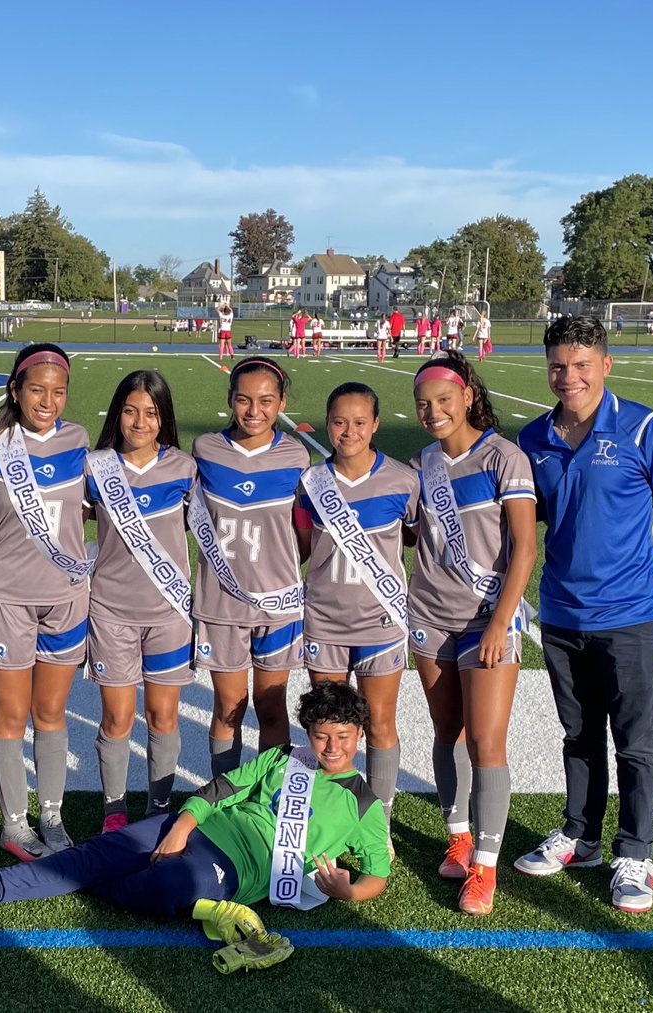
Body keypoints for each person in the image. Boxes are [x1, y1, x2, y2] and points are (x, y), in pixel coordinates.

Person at [0, 682, 389, 961]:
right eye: (321, 736)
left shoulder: (365, 804)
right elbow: (218, 791)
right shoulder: (285, 757)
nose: (332, 747)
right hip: (201, 829)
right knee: (105, 852)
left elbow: (378, 876)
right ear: (308, 734)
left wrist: (348, 891)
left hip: (235, 870)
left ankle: (68, 870)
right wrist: (181, 828)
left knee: (165, 885)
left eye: (343, 736)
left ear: (360, 735)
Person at [513, 315, 653, 913]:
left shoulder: (647, 429)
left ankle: (636, 852)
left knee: (635, 740)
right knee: (579, 733)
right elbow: (526, 520)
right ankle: (582, 835)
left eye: (581, 365)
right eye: (558, 366)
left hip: (630, 615)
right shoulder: (533, 438)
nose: (568, 377)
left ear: (605, 365)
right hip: (561, 613)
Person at [408, 351, 538, 916]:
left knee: (486, 741)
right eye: (423, 404)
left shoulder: (504, 457)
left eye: (443, 400)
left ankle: (485, 866)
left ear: (467, 396)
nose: (433, 412)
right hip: (429, 615)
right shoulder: (422, 463)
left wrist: (502, 620)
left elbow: (525, 548)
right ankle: (458, 837)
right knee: (447, 730)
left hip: (487, 619)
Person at [0, 343, 90, 860]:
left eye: (58, 392)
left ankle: (52, 816)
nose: (47, 401)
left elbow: (87, 509)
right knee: (11, 714)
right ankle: (14, 824)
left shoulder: (79, 440)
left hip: (66, 597)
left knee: (51, 712)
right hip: (8, 597)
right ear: (15, 390)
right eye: (37, 390)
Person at [295, 382, 418, 851]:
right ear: (327, 424)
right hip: (324, 621)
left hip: (380, 624)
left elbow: (413, 537)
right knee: (328, 726)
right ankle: (330, 816)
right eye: (339, 422)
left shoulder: (403, 480)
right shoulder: (311, 482)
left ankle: (377, 821)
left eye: (360, 422)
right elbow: (301, 546)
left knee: (379, 722)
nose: (349, 431)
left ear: (376, 425)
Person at [85, 371, 198, 832]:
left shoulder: (184, 468)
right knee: (117, 717)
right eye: (130, 411)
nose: (140, 422)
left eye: (151, 413)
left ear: (163, 417)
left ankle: (158, 808)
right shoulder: (95, 468)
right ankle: (114, 810)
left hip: (169, 613)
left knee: (162, 715)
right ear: (117, 414)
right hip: (110, 610)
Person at [192, 357, 309, 777]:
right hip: (221, 604)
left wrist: (275, 566)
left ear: (281, 403)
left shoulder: (297, 456)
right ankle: (222, 795)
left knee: (272, 706)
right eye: (243, 399)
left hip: (277, 606)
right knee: (228, 707)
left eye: (266, 400)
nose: (254, 410)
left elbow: (304, 534)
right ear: (230, 400)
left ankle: (267, 794)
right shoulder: (205, 449)